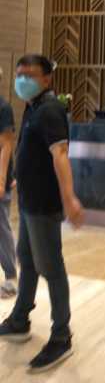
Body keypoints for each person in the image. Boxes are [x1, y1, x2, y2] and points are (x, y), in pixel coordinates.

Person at [0, 54, 84, 374]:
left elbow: (60, 154)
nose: (22, 80)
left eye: (29, 75)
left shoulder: (50, 109)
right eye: (19, 74)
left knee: (51, 267)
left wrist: (69, 198)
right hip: (29, 201)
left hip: (44, 205)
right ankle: (20, 318)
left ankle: (61, 335)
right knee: (28, 259)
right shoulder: (33, 106)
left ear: (47, 78)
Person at [0, 69, 17, 299]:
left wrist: (1, 179)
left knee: (1, 227)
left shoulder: (3, 108)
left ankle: (11, 276)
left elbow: (6, 145)